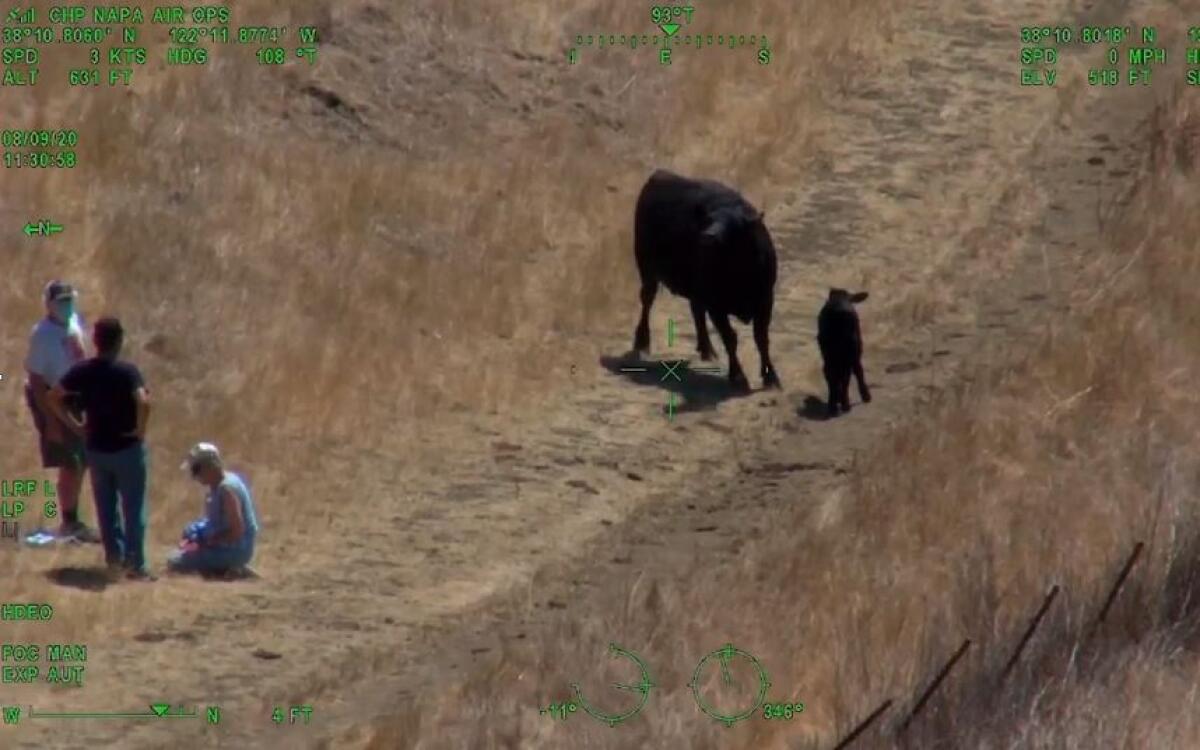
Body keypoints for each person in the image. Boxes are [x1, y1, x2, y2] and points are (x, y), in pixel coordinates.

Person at [47, 317, 154, 581]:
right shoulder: (127, 371)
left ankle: (113, 560)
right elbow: (143, 401)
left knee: (106, 510)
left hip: (96, 449)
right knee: (133, 507)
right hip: (127, 447)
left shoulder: (83, 371)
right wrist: (140, 430)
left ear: (95, 341)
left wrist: (74, 426)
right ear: (119, 341)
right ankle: (135, 564)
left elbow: (54, 396)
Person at [23, 280, 100, 543]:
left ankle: (73, 518)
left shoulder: (72, 322)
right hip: (53, 398)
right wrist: (50, 421)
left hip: (75, 397)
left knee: (82, 459)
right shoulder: (42, 334)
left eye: (70, 300)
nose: (66, 306)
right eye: (61, 301)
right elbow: (35, 380)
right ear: (49, 304)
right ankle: (69, 521)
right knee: (70, 461)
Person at [168, 442, 259, 576]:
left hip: (236, 549)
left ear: (208, 466)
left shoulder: (227, 490)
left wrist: (210, 541)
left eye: (196, 470)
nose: (195, 476)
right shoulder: (218, 484)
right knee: (189, 535)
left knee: (174, 561)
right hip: (227, 546)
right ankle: (226, 566)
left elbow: (237, 531)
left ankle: (231, 567)